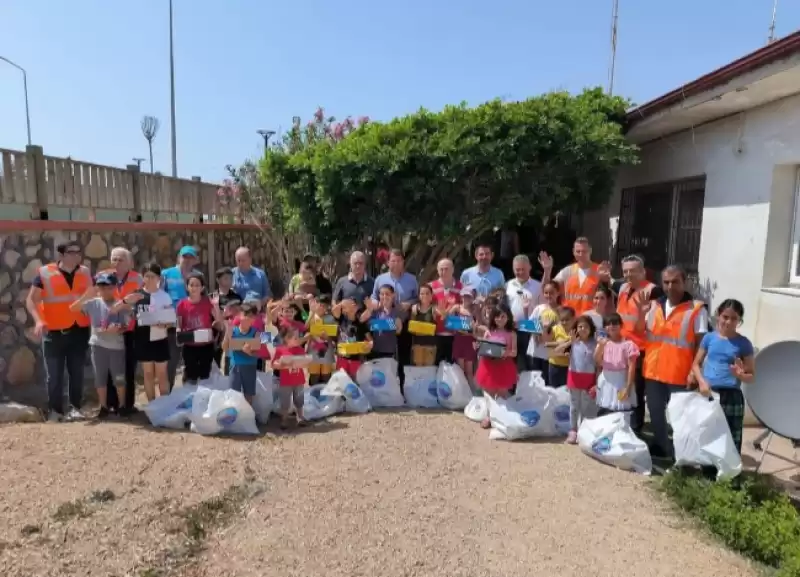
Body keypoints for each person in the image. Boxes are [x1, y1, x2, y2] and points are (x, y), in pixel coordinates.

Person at [638, 265, 709, 458]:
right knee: (655, 412)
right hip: (653, 371)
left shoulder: (696, 309)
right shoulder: (654, 305)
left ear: (684, 282)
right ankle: (661, 445)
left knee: (681, 417)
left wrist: (695, 372)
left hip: (679, 373)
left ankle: (683, 454)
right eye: (666, 282)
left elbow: (701, 344)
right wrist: (640, 313)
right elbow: (642, 332)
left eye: (675, 281)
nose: (670, 286)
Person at [25, 241, 93, 422]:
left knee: (77, 372)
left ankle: (75, 408)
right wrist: (39, 321)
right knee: (54, 375)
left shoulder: (85, 272)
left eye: (79, 252)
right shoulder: (45, 273)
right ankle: (55, 411)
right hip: (53, 331)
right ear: (61, 256)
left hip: (79, 329)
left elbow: (91, 295)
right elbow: (31, 300)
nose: (77, 255)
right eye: (72, 252)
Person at [692, 299, 755, 454]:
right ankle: (708, 472)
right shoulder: (709, 338)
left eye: (734, 318)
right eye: (725, 317)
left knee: (731, 436)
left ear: (740, 320)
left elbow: (751, 376)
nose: (728, 321)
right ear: (718, 315)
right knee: (708, 433)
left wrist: (740, 375)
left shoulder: (744, 343)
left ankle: (729, 473)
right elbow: (695, 364)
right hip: (709, 393)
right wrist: (701, 382)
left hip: (732, 396)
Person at [69, 272, 130, 420]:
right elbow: (73, 308)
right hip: (97, 345)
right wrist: (86, 295)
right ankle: (103, 407)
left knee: (119, 377)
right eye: (102, 287)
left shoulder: (120, 304)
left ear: (114, 287)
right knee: (100, 378)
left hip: (116, 346)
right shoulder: (93, 303)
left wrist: (117, 328)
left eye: (108, 287)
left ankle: (122, 406)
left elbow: (125, 325)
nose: (105, 290)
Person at [613, 254, 658, 435]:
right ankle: (621, 422)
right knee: (621, 385)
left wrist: (641, 312)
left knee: (636, 389)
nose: (628, 275)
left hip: (639, 350)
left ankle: (635, 429)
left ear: (643, 271)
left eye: (633, 271)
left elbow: (646, 326)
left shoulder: (652, 292)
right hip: (621, 347)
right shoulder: (624, 288)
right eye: (625, 271)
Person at [125, 262, 174, 401]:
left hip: (160, 338)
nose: (150, 279)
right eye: (147, 276)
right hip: (142, 338)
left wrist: (164, 324)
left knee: (162, 373)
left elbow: (171, 320)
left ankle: (164, 405)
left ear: (159, 278)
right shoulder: (137, 295)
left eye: (153, 276)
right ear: (143, 277)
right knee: (148, 373)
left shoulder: (164, 296)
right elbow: (129, 315)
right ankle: (152, 405)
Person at [102, 247, 142, 415]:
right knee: (110, 368)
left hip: (130, 330)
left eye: (121, 259)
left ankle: (127, 405)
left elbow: (140, 299)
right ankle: (111, 403)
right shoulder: (104, 277)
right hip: (110, 330)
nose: (117, 263)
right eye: (114, 259)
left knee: (128, 368)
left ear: (129, 263)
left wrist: (122, 306)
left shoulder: (137, 279)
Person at [371, 249, 418, 378]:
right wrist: (377, 304)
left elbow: (417, 298)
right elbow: (374, 297)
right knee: (383, 357)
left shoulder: (412, 279)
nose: (396, 264)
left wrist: (409, 303)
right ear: (388, 262)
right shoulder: (380, 279)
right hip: (384, 323)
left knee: (403, 357)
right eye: (393, 261)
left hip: (403, 323)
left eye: (398, 261)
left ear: (403, 262)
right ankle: (383, 387)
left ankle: (402, 389)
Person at [161, 245, 201, 391]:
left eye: (191, 257)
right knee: (171, 360)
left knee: (190, 360)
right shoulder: (166, 273)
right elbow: (159, 295)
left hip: (192, 324)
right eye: (185, 257)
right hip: (171, 324)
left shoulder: (198, 276)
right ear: (179, 257)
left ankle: (188, 393)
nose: (187, 260)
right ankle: (167, 393)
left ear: (195, 260)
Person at [474, 305, 517, 429]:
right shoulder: (489, 332)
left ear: (508, 317)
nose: (500, 319)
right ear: (493, 318)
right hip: (488, 366)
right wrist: (478, 345)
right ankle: (489, 416)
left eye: (503, 316)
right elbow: (483, 346)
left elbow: (514, 352)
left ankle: (500, 416)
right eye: (497, 316)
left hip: (504, 366)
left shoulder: (512, 334)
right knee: (489, 394)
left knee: (502, 394)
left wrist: (506, 353)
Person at [176, 272, 222, 384]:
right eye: (191, 285)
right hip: (189, 346)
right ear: (187, 287)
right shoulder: (181, 304)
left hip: (206, 345)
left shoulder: (208, 302)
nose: (194, 288)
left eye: (197, 285)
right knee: (191, 375)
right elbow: (179, 324)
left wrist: (216, 305)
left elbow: (219, 321)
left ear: (202, 288)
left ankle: (203, 398)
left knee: (205, 374)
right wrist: (179, 334)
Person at [548, 238, 611, 316]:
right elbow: (549, 288)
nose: (581, 254)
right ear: (573, 252)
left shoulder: (600, 270)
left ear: (590, 251)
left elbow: (610, 295)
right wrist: (547, 271)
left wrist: (606, 281)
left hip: (591, 321)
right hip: (569, 320)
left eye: (584, 251)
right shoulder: (567, 271)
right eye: (578, 251)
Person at [594, 312, 639, 420]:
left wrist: (628, 387)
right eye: (608, 324)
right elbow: (597, 361)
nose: (611, 326)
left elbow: (631, 367)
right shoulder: (603, 343)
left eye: (615, 323)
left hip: (621, 382)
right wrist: (600, 345)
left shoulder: (628, 345)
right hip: (606, 381)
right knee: (605, 411)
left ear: (621, 325)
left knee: (622, 412)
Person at [505, 254, 545, 372]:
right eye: (517, 270)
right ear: (513, 269)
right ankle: (513, 389)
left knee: (531, 363)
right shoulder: (507, 285)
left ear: (530, 268)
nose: (520, 272)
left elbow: (542, 308)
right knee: (512, 362)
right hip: (512, 329)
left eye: (523, 269)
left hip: (531, 330)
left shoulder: (537, 286)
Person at [565, 315, 598, 444]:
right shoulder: (573, 342)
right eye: (580, 326)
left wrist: (596, 382)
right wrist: (570, 342)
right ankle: (573, 430)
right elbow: (556, 350)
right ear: (576, 328)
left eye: (586, 326)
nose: (583, 329)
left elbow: (598, 363)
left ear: (591, 329)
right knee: (574, 406)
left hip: (588, 378)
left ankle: (583, 431)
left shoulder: (595, 343)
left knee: (585, 407)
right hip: (574, 377)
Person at [223, 303, 261, 405]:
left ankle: (247, 417)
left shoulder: (257, 333)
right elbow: (224, 347)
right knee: (233, 394)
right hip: (235, 366)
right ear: (240, 315)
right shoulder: (233, 330)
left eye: (251, 317)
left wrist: (250, 353)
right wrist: (228, 333)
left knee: (249, 394)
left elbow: (264, 352)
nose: (248, 319)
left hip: (250, 367)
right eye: (246, 315)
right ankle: (234, 419)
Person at [272, 325, 308, 429]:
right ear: (287, 339)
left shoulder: (300, 350)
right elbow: (273, 364)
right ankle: (284, 419)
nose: (298, 340)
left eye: (298, 337)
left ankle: (300, 417)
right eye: (295, 338)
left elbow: (305, 362)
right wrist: (280, 365)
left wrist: (305, 361)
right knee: (285, 401)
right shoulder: (280, 350)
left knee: (299, 400)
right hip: (286, 381)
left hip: (299, 380)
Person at [526, 280, 561, 386]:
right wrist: (538, 335)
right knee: (535, 381)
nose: (548, 295)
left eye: (552, 292)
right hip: (535, 351)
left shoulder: (561, 311)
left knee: (547, 382)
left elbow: (560, 330)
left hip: (549, 354)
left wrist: (546, 334)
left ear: (558, 293)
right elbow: (528, 325)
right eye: (546, 292)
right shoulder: (539, 308)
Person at [429, 258, 462, 364]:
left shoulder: (461, 286)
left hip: (455, 334)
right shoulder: (430, 287)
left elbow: (466, 306)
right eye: (441, 269)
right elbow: (425, 305)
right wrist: (435, 310)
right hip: (435, 333)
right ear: (437, 270)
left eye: (446, 269)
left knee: (453, 368)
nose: (443, 272)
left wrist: (456, 307)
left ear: (453, 269)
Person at [362, 284, 403, 360]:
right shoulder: (375, 311)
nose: (384, 296)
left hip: (390, 353)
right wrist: (391, 323)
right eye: (382, 294)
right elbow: (367, 325)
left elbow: (398, 330)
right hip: (375, 352)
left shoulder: (397, 311)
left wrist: (377, 324)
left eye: (387, 294)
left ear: (393, 295)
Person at [333, 299, 372, 379]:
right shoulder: (341, 319)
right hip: (342, 358)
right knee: (341, 381)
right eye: (344, 307)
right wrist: (342, 303)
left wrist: (370, 345)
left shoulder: (361, 323)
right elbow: (334, 310)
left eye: (354, 305)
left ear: (356, 307)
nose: (352, 307)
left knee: (355, 382)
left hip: (356, 359)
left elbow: (370, 340)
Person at [210, 267, 240, 369]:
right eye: (226, 278)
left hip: (234, 335)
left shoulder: (237, 297)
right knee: (216, 365)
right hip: (217, 337)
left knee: (231, 365)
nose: (230, 281)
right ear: (218, 280)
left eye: (231, 278)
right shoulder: (212, 298)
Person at [450, 287, 478, 390]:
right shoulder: (456, 308)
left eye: (469, 296)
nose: (466, 298)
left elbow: (478, 325)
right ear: (461, 296)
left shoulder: (475, 310)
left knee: (470, 371)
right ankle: (462, 393)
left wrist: (473, 327)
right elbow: (449, 321)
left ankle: (472, 394)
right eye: (465, 296)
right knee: (460, 370)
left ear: (473, 297)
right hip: (459, 340)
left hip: (470, 341)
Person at [307, 296, 336, 385]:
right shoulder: (310, 316)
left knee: (326, 375)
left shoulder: (331, 318)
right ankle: (313, 396)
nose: (321, 307)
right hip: (313, 350)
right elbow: (305, 329)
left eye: (324, 306)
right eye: (319, 304)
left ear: (327, 307)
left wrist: (328, 337)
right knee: (314, 376)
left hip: (327, 351)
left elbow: (334, 335)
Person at [409, 284, 441, 366]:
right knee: (418, 369)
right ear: (419, 295)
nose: (425, 296)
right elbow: (411, 327)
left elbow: (443, 316)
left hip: (431, 344)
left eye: (427, 293)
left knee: (429, 369)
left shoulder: (434, 309)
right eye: (422, 293)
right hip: (417, 344)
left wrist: (444, 310)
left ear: (431, 296)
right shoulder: (414, 308)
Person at [545, 306, 575, 389]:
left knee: (567, 392)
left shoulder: (576, 331)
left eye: (567, 319)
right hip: (554, 365)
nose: (564, 322)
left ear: (573, 319)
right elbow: (547, 344)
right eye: (562, 320)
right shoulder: (555, 329)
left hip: (569, 367)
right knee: (554, 392)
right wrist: (562, 343)